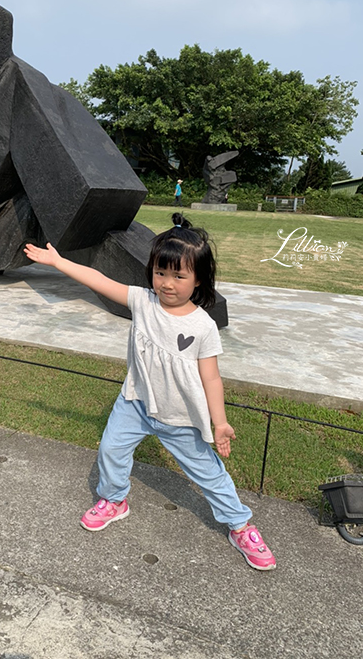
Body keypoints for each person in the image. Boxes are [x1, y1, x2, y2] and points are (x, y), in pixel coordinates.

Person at [23, 213, 276, 571]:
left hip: (182, 417)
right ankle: (114, 500)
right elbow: (98, 280)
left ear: (199, 279)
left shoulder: (203, 326)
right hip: (136, 402)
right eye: (160, 273)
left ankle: (240, 525)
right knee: (111, 448)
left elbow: (212, 379)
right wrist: (58, 261)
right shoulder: (143, 302)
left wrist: (219, 423)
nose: (167, 283)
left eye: (178, 275)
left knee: (209, 473)